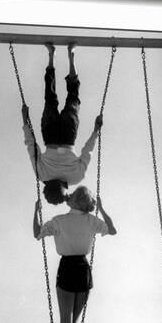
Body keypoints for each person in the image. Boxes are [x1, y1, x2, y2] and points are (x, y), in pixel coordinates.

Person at [33, 185, 117, 323]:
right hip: (83, 270)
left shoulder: (59, 221)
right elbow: (112, 230)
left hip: (67, 269)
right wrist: (103, 210)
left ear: (74, 201)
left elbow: (37, 234)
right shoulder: (92, 221)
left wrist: (36, 211)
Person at [22, 43, 103, 205]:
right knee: (52, 97)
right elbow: (31, 147)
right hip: (55, 136)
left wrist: (96, 132)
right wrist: (25, 121)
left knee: (68, 98)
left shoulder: (75, 177)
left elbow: (87, 152)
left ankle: (57, 56)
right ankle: (60, 56)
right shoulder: (43, 176)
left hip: (65, 137)